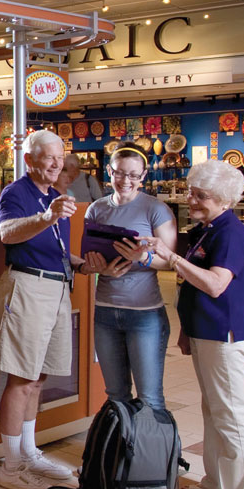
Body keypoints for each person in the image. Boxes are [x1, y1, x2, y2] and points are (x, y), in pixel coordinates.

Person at [147, 160, 244, 489]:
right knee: (213, 411)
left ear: (224, 200)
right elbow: (193, 286)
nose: (191, 199)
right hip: (205, 332)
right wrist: (187, 329)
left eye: (200, 195)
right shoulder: (206, 229)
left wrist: (170, 257)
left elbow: (214, 284)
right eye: (191, 192)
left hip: (225, 334)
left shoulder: (230, 233)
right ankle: (217, 482)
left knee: (229, 413)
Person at [0, 129, 93, 489]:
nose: (56, 163)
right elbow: (7, 232)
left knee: (39, 378)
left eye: (60, 156)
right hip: (27, 287)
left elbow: (58, 249)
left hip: (57, 287)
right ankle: (11, 466)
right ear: (29, 159)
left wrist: (83, 265)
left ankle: (29, 452)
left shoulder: (55, 196)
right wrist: (47, 217)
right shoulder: (16, 193)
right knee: (21, 378)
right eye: (48, 157)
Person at [82, 143, 177, 409]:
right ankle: (123, 449)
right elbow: (88, 260)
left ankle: (151, 450)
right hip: (105, 312)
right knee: (115, 394)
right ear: (109, 171)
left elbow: (171, 262)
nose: (126, 181)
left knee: (150, 397)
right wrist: (99, 268)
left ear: (144, 175)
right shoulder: (96, 209)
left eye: (134, 175)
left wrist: (143, 257)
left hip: (144, 313)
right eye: (120, 173)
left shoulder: (156, 209)